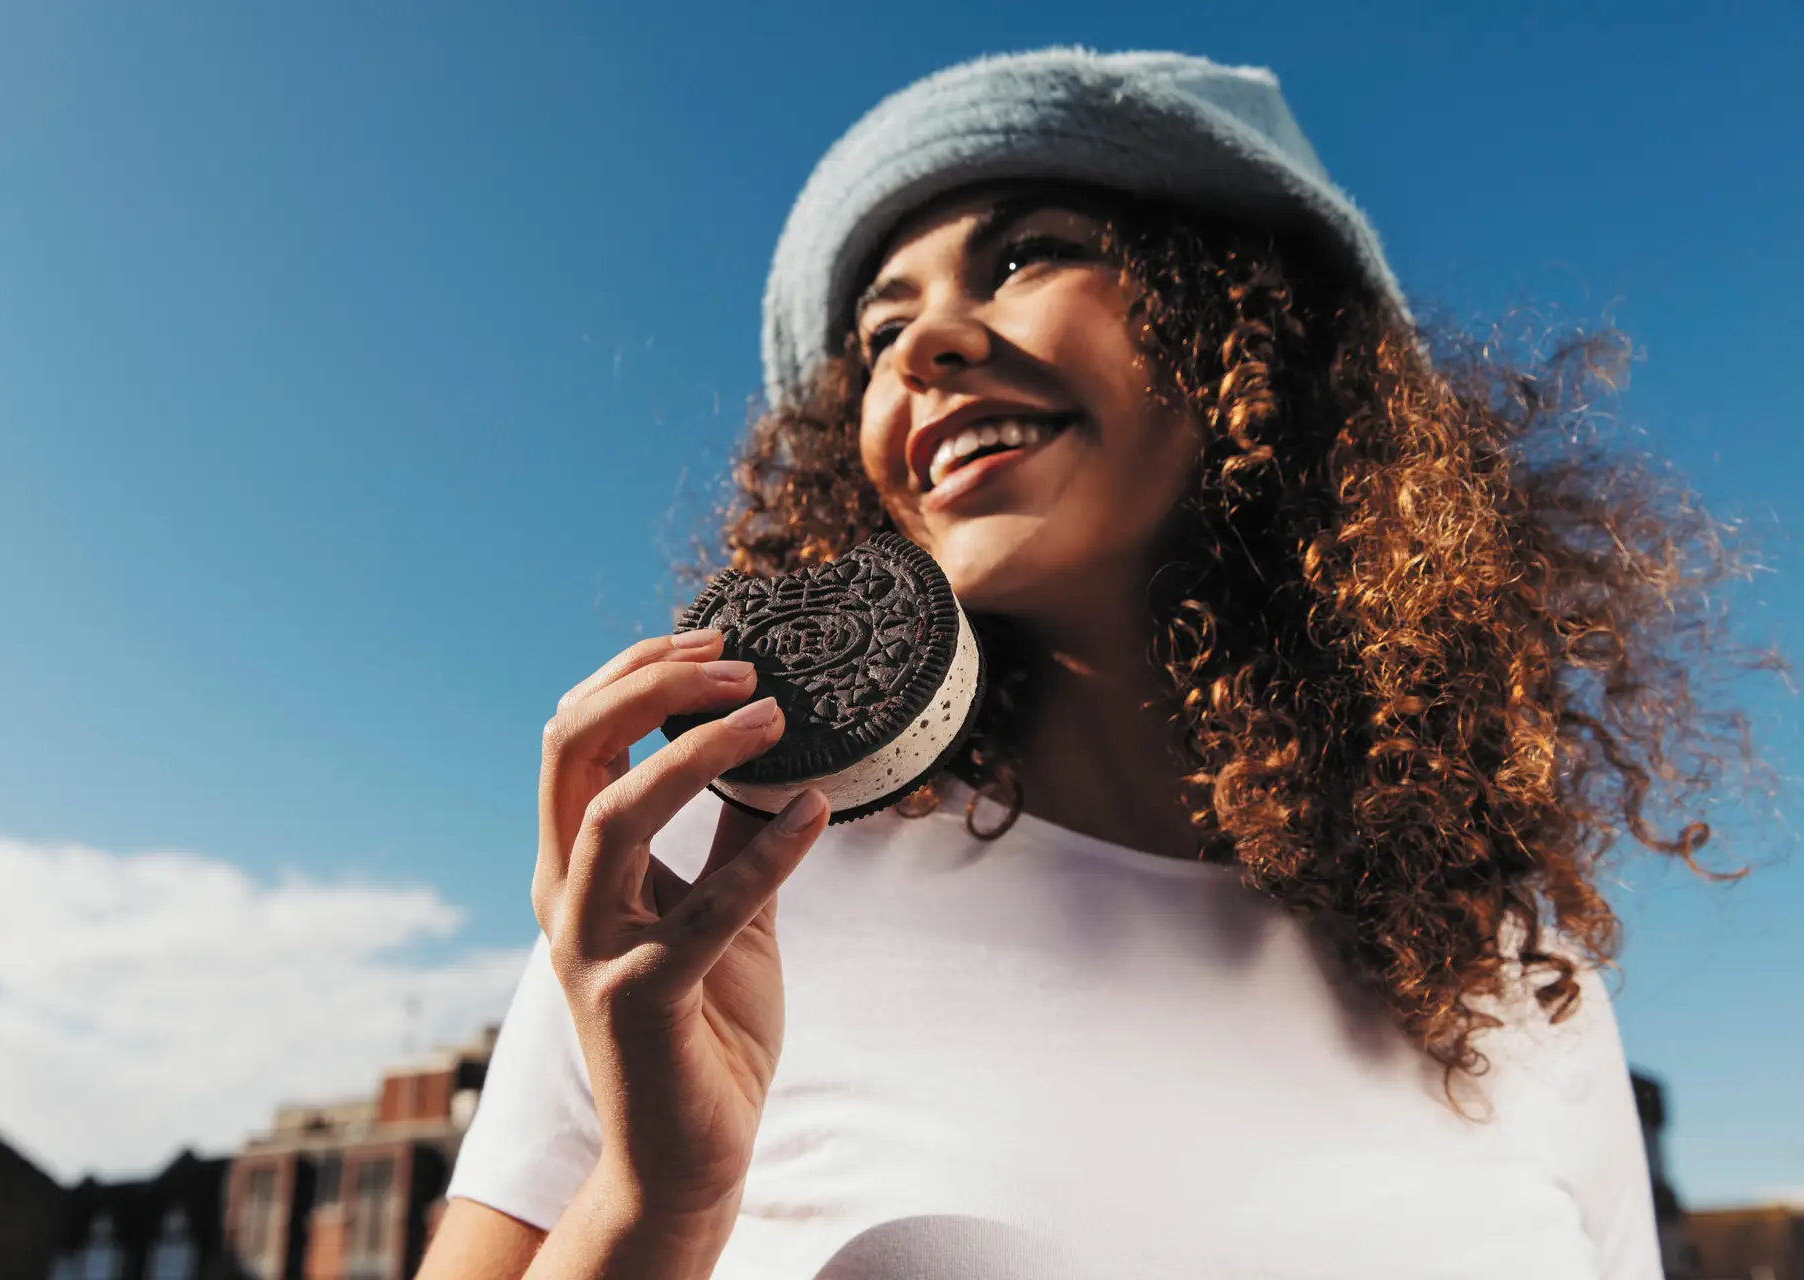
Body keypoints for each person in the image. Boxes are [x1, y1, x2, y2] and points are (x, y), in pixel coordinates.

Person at [419, 49, 1763, 1279]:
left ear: (1253, 347)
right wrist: (657, 1207)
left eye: (1025, 258)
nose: (924, 349)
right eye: (881, 334)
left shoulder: (1519, 978)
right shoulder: (705, 903)